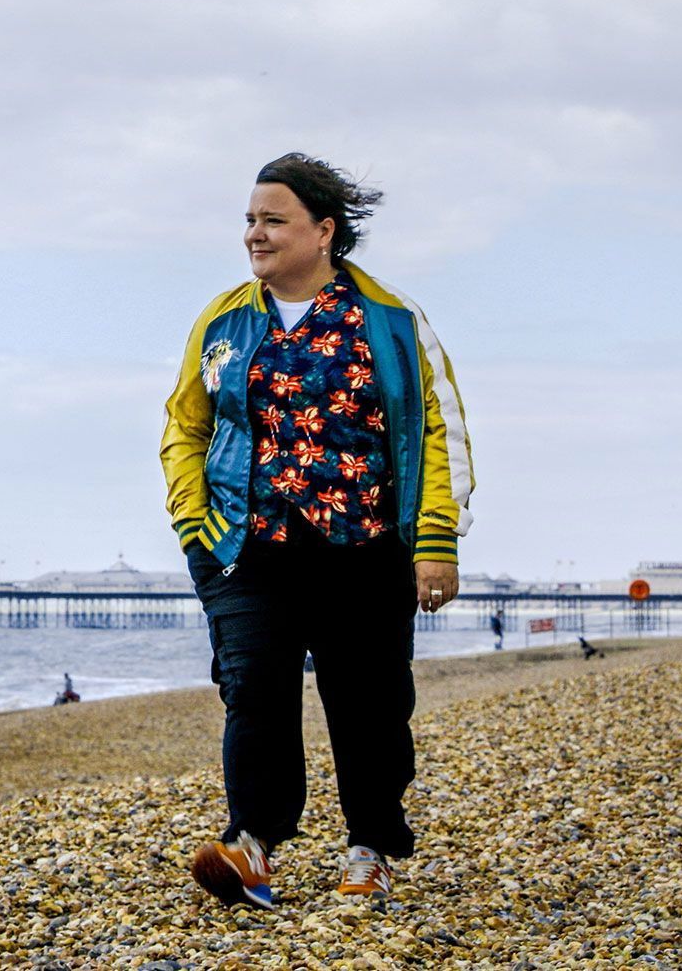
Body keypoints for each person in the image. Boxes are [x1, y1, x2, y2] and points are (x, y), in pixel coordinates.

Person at [161, 153, 475, 907]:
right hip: (246, 546)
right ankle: (252, 845)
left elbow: (440, 429)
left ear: (324, 230)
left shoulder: (393, 321)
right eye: (249, 220)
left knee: (368, 703)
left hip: (366, 548)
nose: (254, 235)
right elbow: (185, 424)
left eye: (273, 220)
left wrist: (436, 539)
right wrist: (192, 522)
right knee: (253, 692)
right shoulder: (224, 320)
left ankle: (370, 850)